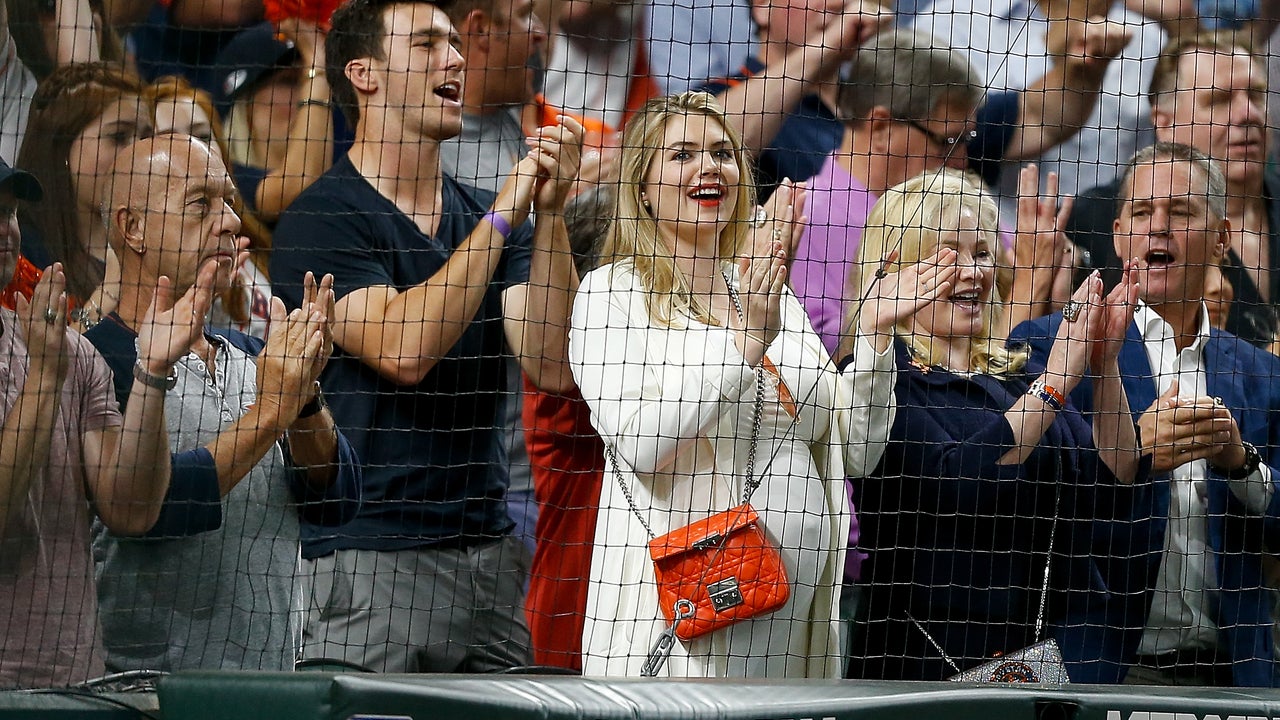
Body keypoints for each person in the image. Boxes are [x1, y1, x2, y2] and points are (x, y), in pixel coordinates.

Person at [270, 0, 583, 673]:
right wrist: (507, 211)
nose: (456, 59)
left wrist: (549, 217)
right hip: (375, 562)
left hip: (493, 560)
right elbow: (404, 349)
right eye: (426, 44)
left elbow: (553, 362)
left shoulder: (496, 217)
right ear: (364, 73)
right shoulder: (319, 220)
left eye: (454, 43)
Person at [569, 91, 900, 679]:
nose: (709, 167)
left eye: (722, 152)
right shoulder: (611, 294)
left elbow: (858, 449)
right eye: (682, 154)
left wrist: (873, 340)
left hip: (797, 637)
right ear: (641, 187)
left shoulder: (766, 287)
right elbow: (643, 444)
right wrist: (745, 342)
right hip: (683, 632)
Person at [847, 167, 1144, 683]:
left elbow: (1112, 480)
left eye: (981, 253)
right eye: (947, 254)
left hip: (1054, 659)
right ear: (894, 270)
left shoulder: (1018, 372)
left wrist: (1105, 364)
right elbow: (959, 480)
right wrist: (1053, 385)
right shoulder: (878, 376)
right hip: (926, 664)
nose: (972, 272)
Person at [84, 134, 361, 672]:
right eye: (201, 204)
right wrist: (273, 411)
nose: (232, 221)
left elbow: (335, 500)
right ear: (132, 227)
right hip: (150, 690)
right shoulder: (100, 361)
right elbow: (155, 508)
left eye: (231, 201)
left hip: (270, 679)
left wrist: (303, 396)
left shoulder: (253, 356)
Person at [1012, 142, 1280, 687]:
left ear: (1223, 238)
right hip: (1100, 672)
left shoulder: (1263, 373)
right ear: (1117, 234)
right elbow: (1019, 497)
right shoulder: (1052, 348)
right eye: (1141, 213)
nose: (1158, 227)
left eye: (1180, 212)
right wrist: (1128, 450)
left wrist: (1239, 462)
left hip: (1235, 678)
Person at [0, 156, 206, 688]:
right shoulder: (54, 356)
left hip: (75, 679)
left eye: (9, 212)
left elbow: (130, 509)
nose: (5, 229)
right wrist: (44, 378)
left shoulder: (68, 350)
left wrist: (152, 372)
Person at [1067, 32, 1279, 348]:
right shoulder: (1099, 216)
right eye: (1219, 100)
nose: (1248, 114)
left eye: (1256, 95)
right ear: (1164, 122)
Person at [14, 62, 152, 329]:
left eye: (147, 138)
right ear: (63, 147)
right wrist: (113, 287)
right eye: (119, 136)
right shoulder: (21, 249)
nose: (138, 153)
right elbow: (42, 361)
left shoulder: (160, 239)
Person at [148, 75, 274, 339]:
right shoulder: (156, 255)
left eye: (203, 136)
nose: (193, 151)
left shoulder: (248, 231)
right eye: (171, 139)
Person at [210, 20, 335, 223]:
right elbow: (300, 189)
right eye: (290, 80)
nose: (308, 91)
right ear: (245, 105)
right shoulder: (226, 179)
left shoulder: (344, 170)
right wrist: (317, 64)